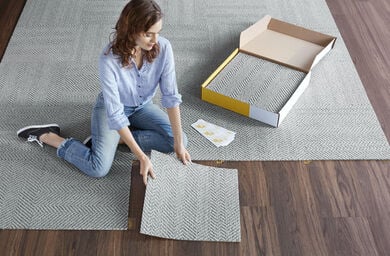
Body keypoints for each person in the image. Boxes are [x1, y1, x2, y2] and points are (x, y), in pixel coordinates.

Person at [16, 0, 191, 185]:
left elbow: (171, 97)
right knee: (98, 168)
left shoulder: (163, 48)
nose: (155, 40)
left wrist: (178, 144)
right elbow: (115, 114)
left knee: (180, 140)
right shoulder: (108, 59)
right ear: (131, 30)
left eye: (158, 33)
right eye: (148, 34)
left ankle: (118, 140)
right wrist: (141, 156)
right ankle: (48, 135)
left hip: (143, 106)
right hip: (111, 109)